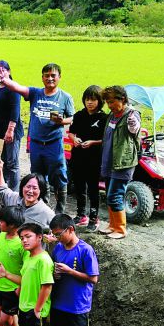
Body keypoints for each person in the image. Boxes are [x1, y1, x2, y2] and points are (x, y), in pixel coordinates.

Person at [0, 63, 74, 214]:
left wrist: (61, 121)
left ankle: (60, 210)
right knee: (38, 177)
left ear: (59, 77)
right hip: (37, 144)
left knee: (59, 176)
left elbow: (71, 118)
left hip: (54, 144)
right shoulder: (35, 93)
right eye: (47, 75)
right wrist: (5, 79)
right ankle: (42, 207)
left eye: (53, 75)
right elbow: (18, 88)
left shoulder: (65, 97)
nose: (50, 78)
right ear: (42, 77)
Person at [98, 85, 141, 240]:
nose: (109, 105)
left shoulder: (132, 114)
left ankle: (121, 229)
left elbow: (135, 129)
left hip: (123, 163)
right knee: (109, 194)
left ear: (122, 99)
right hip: (110, 161)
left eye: (111, 102)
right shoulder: (112, 114)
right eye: (107, 102)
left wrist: (132, 123)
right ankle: (112, 225)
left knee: (115, 195)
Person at [69, 86, 106, 231]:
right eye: (87, 99)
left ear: (99, 101)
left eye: (93, 99)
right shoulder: (79, 115)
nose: (89, 102)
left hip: (94, 160)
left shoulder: (104, 118)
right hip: (78, 157)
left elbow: (106, 140)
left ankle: (93, 217)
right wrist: (75, 139)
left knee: (92, 189)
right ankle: (81, 214)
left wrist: (92, 142)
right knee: (79, 187)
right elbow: (71, 133)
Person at [0, 161, 54, 232]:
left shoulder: (47, 213)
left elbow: (59, 231)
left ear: (41, 191)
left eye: (34, 188)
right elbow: (2, 189)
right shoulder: (14, 198)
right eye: (28, 187)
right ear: (22, 187)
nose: (30, 191)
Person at [0, 60, 23, 189]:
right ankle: (3, 189)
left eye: (2, 70)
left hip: (12, 132)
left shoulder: (13, 88)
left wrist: (10, 130)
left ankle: (14, 194)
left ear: (8, 71)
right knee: (2, 161)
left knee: (12, 163)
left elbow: (15, 110)